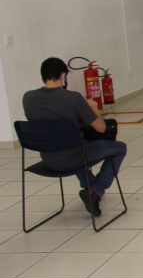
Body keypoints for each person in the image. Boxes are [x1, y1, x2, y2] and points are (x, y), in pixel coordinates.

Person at [22, 57, 128, 217]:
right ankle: (95, 190)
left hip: (49, 159)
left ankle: (89, 188)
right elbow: (101, 128)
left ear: (42, 76)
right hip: (76, 157)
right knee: (120, 148)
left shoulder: (28, 98)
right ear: (63, 75)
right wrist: (94, 108)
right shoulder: (73, 98)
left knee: (72, 143)